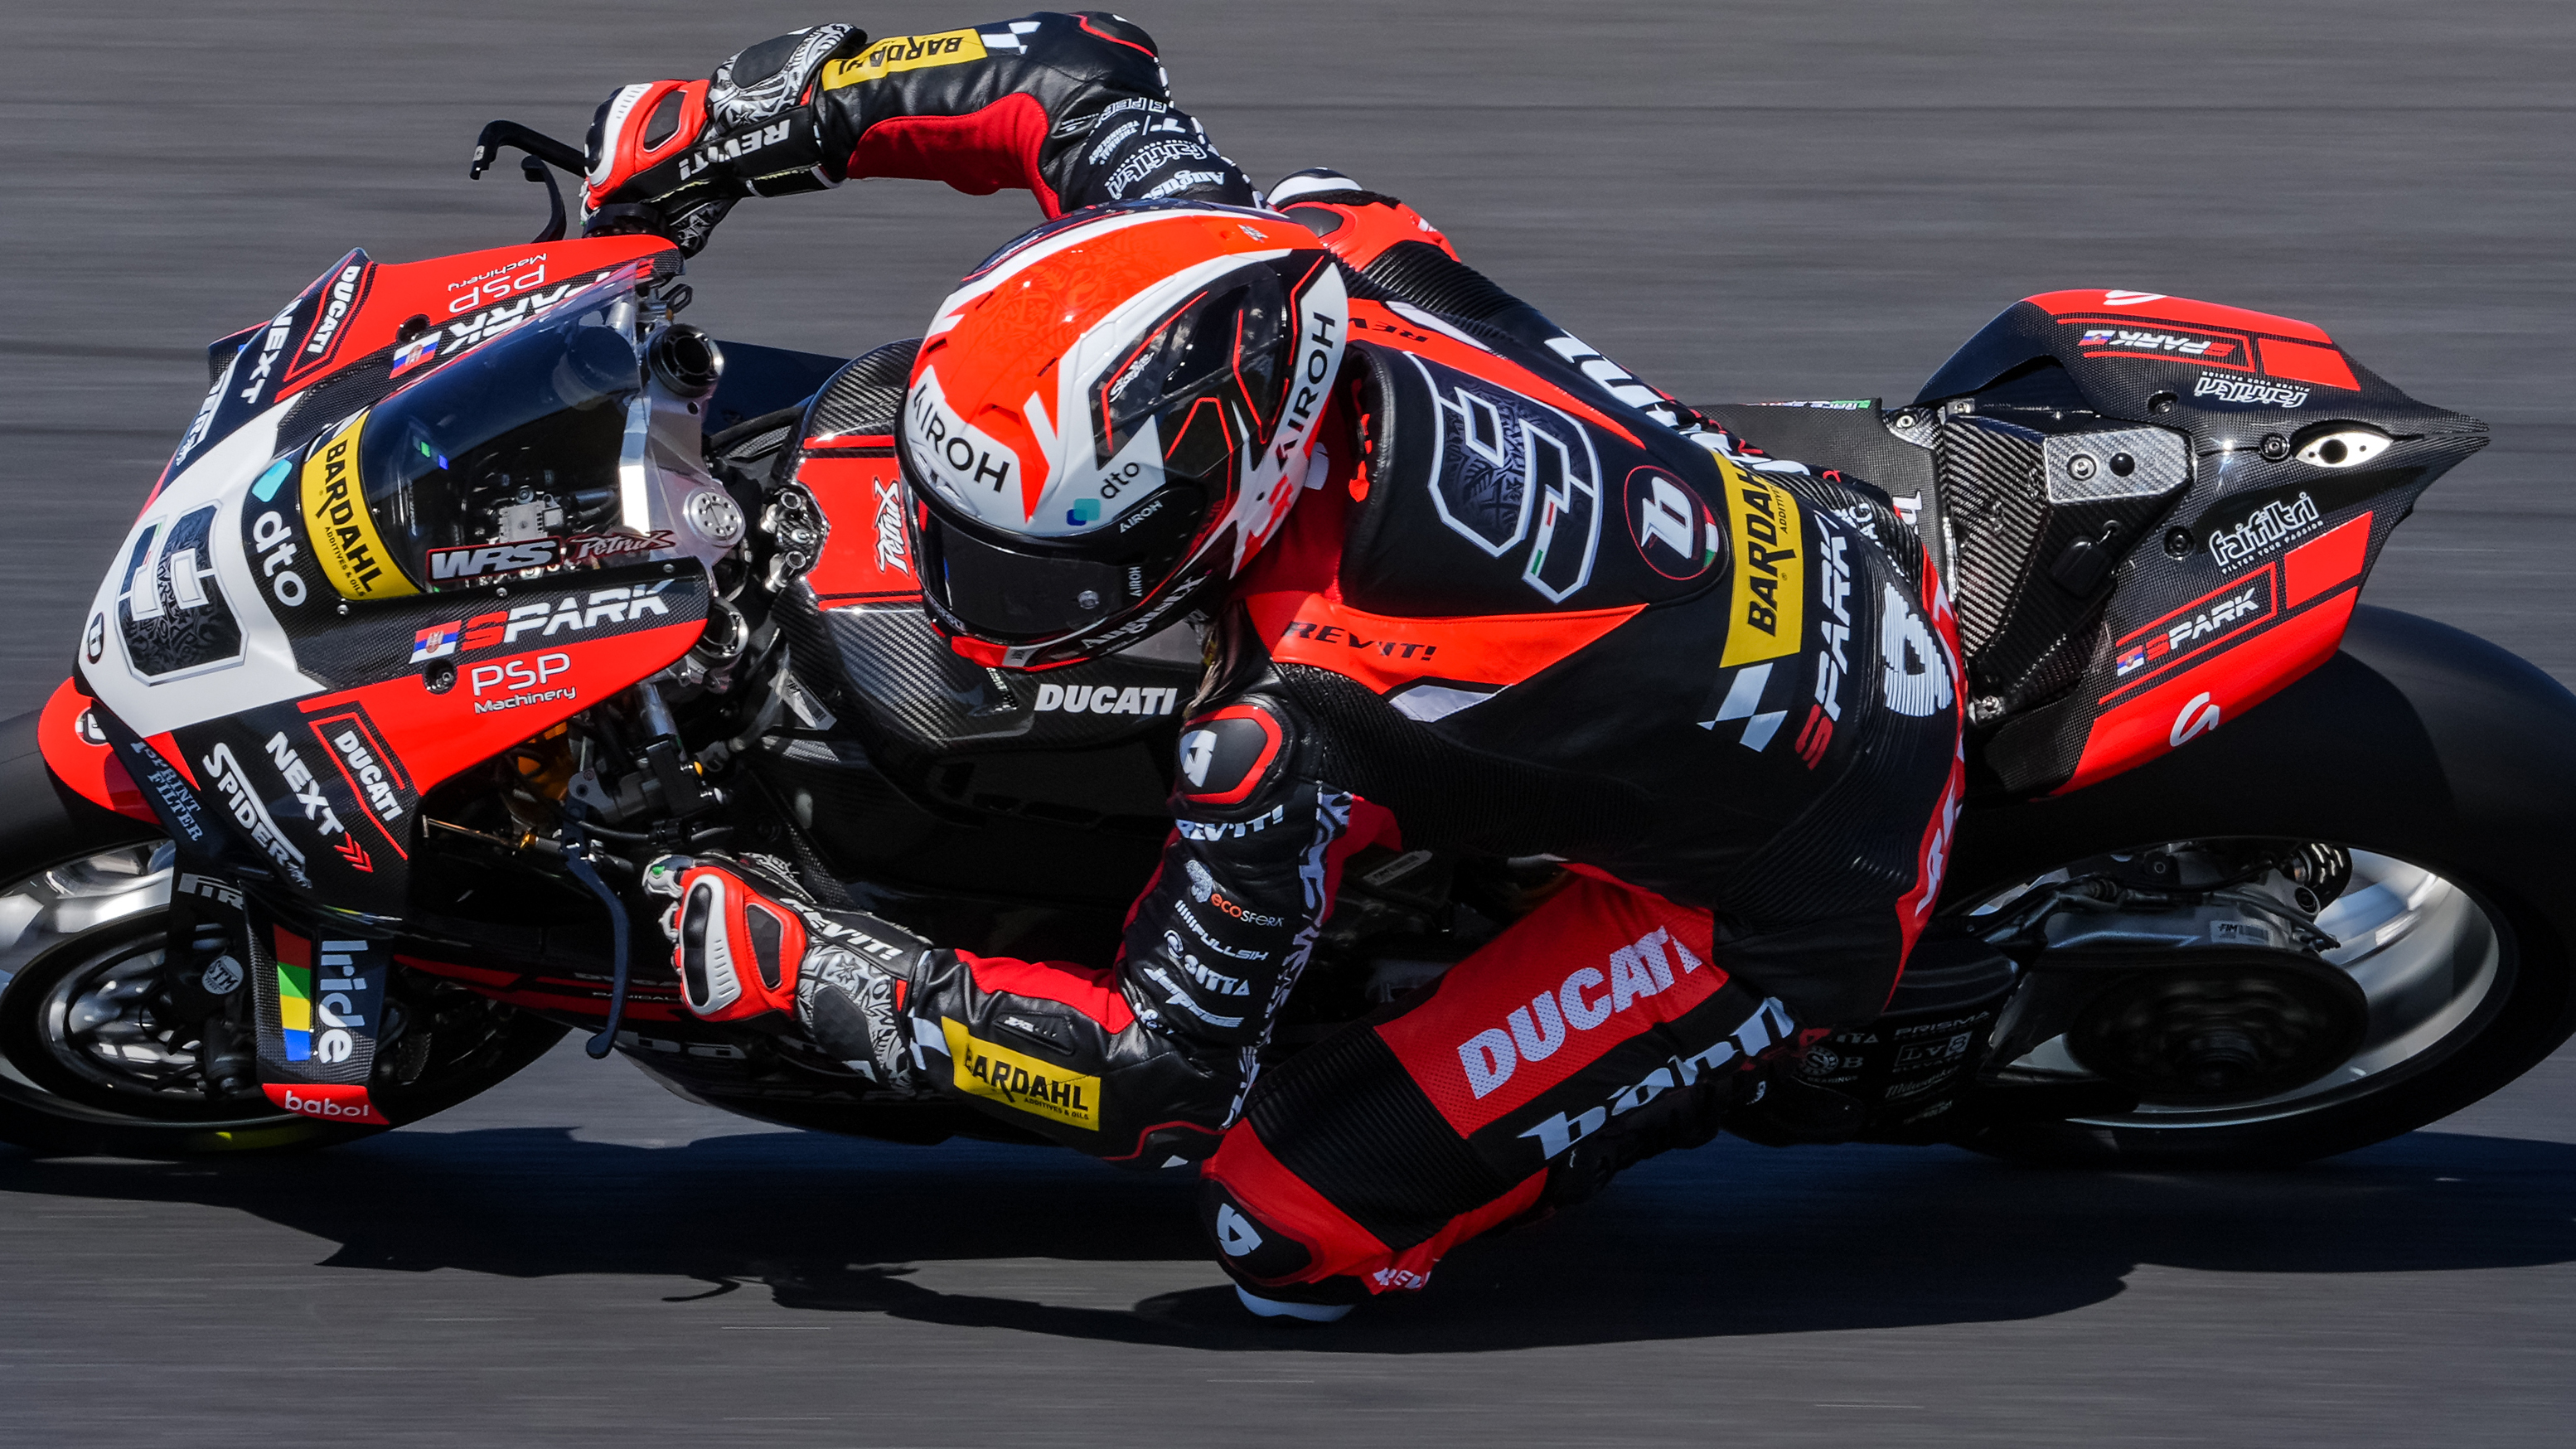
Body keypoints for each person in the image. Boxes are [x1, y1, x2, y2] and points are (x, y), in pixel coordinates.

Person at [588, 12, 1964, 1320]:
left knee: (1285, 1229)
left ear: (1219, 498)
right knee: (1354, 222)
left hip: (1828, 844)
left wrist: (829, 976)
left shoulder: (1294, 713)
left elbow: (1153, 1081)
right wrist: (746, 119)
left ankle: (1657, 1080)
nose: (975, 598)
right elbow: (1068, 66)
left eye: (1046, 572)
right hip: (1790, 538)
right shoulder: (1242, 256)